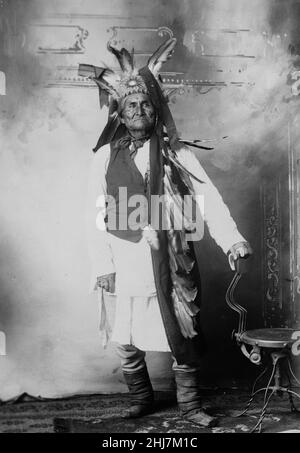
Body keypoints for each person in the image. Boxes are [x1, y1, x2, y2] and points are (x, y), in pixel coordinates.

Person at [82, 38, 252, 428]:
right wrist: (102, 265)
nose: (139, 110)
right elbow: (92, 213)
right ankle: (141, 398)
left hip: (172, 259)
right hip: (123, 259)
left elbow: (209, 198)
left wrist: (233, 239)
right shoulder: (103, 159)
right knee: (125, 336)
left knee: (182, 332)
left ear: (155, 110)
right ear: (120, 115)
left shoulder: (179, 153)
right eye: (131, 106)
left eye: (145, 104)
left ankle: (190, 407)